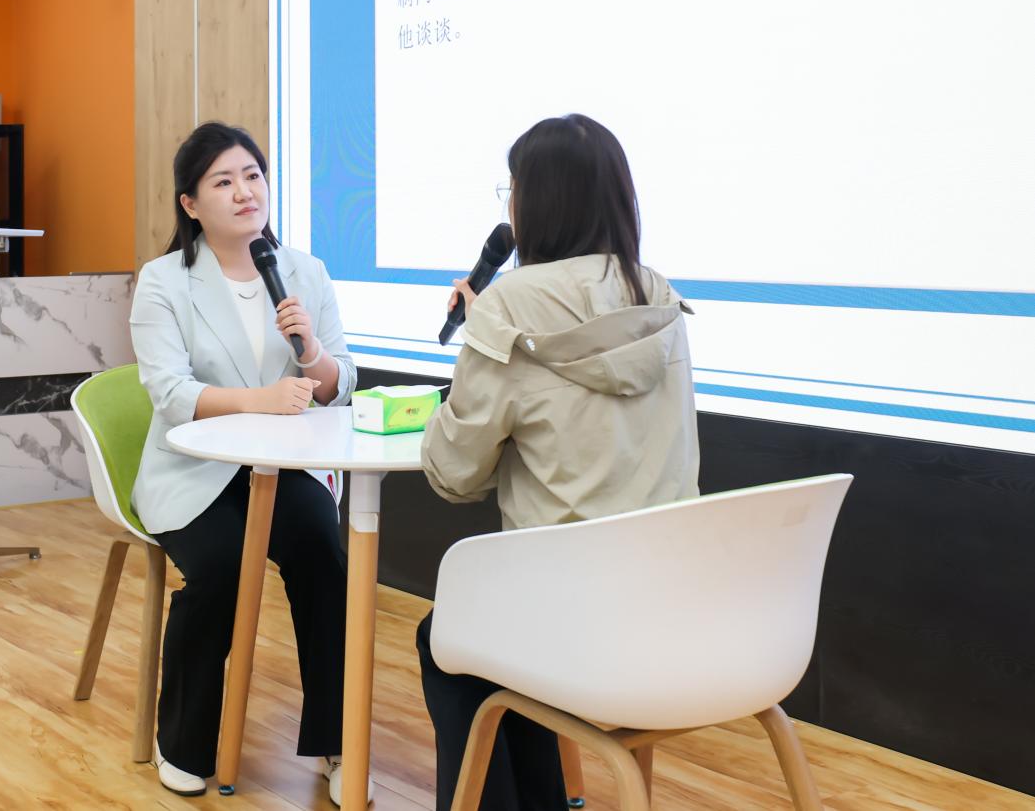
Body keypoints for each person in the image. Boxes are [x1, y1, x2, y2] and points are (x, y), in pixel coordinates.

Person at [417, 113, 701, 811]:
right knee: (495, 629)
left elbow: (452, 474)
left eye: (511, 189)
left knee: (451, 639)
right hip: (679, 614)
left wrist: (480, 346)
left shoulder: (507, 306)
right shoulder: (657, 294)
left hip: (568, 626)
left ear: (534, 202)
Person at [129, 121, 371, 805]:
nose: (245, 192)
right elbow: (169, 393)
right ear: (190, 203)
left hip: (281, 467)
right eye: (224, 181)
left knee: (324, 554)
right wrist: (258, 401)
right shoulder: (163, 281)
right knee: (221, 567)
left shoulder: (304, 271)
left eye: (253, 176)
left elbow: (339, 383)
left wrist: (311, 353)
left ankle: (339, 742)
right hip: (193, 469)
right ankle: (182, 741)